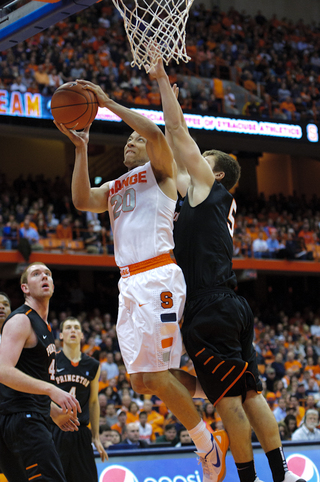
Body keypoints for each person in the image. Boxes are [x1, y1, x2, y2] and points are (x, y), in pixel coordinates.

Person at [55, 79, 227, 482]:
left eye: (135, 138)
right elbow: (82, 200)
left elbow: (153, 132)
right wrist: (80, 149)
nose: (130, 142)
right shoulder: (115, 187)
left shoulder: (162, 171)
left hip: (158, 277)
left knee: (159, 374)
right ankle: (218, 387)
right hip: (128, 284)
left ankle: (205, 443)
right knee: (142, 380)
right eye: (126, 141)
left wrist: (108, 102)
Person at [153, 57, 305, 482]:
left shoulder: (208, 187)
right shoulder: (210, 201)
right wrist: (172, 112)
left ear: (215, 172)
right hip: (232, 305)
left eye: (203, 159)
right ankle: (283, 475)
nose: (194, 160)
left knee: (229, 402)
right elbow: (171, 145)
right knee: (252, 391)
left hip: (209, 308)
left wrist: (164, 82)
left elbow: (179, 137)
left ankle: (249, 479)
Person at [0, 261, 81, 482]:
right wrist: (51, 390)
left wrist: (53, 411)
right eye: (36, 274)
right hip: (23, 420)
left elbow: (28, 373)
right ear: (25, 287)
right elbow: (3, 371)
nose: (44, 277)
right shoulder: (21, 320)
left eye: (48, 274)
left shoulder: (43, 325)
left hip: (25, 418)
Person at [51, 316, 108, 482]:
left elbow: (94, 402)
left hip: (80, 432)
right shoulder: (51, 361)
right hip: (55, 431)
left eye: (76, 327)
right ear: (61, 335)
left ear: (82, 335)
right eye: (68, 328)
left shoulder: (92, 365)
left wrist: (96, 437)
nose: (73, 330)